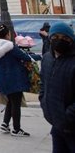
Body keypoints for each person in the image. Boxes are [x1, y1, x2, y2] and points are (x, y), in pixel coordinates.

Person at [0, 22, 32, 137]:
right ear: (8, 34)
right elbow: (26, 57)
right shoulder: (10, 47)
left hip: (1, 79)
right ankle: (16, 129)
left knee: (10, 101)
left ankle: (5, 124)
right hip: (14, 79)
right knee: (16, 103)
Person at [40, 22, 75, 152]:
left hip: (71, 125)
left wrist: (67, 117)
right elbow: (43, 83)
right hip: (57, 125)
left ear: (71, 40)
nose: (59, 41)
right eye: (55, 37)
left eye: (64, 38)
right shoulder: (47, 59)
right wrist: (43, 101)